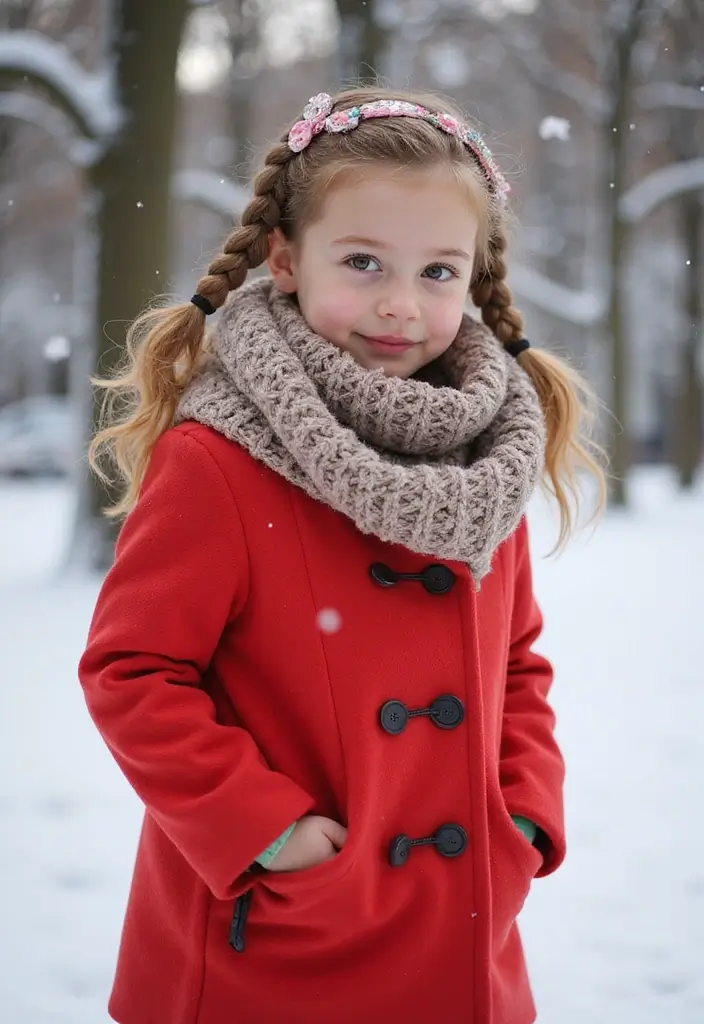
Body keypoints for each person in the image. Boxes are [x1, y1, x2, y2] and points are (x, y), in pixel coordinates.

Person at [78, 87, 605, 1024]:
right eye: (362, 262)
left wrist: (522, 816)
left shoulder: (483, 460)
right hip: (276, 945)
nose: (401, 305)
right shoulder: (217, 461)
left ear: (476, 275)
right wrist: (264, 831)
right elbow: (133, 670)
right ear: (285, 257)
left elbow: (517, 664)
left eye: (439, 270)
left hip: (460, 936)